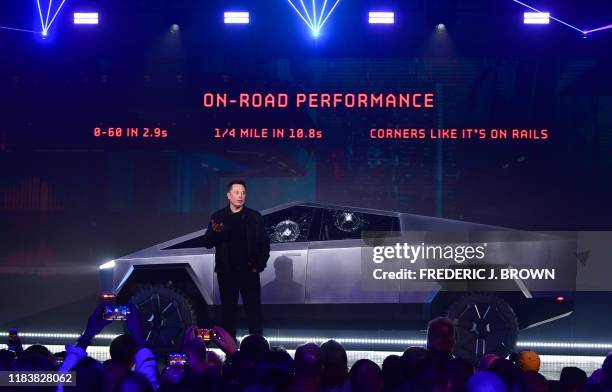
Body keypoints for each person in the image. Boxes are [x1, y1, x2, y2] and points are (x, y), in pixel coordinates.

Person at [201, 179, 271, 338]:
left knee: (254, 312)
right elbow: (207, 243)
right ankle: (230, 351)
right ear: (229, 195)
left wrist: (259, 266)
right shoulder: (218, 216)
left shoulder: (254, 217)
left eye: (243, 193)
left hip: (249, 271)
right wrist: (215, 232)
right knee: (228, 314)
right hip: (226, 273)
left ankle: (256, 349)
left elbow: (265, 244)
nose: (240, 196)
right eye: (237, 192)